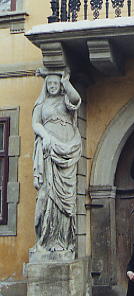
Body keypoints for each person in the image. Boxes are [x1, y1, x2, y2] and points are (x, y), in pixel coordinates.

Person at [32, 71, 82, 252]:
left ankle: (64, 238)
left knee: (67, 195)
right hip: (49, 148)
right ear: (45, 86)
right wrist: (45, 136)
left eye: (55, 83)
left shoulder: (65, 99)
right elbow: (35, 123)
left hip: (69, 147)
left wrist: (66, 81)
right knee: (49, 193)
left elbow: (75, 99)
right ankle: (49, 239)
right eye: (49, 84)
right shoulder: (42, 103)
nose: (52, 86)